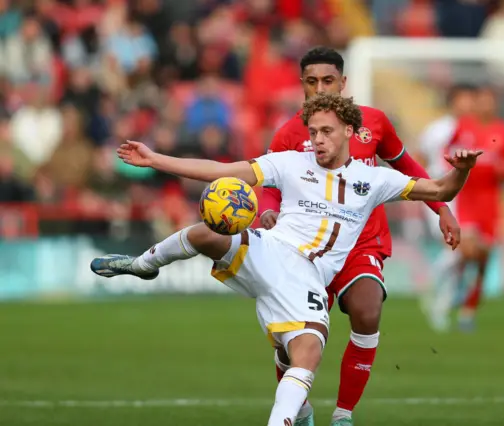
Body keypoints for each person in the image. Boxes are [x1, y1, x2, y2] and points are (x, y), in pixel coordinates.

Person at [90, 93, 481, 426]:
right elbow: (223, 171)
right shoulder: (291, 162)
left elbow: (441, 190)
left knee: (305, 353)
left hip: (307, 278)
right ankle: (144, 265)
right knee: (205, 232)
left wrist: (460, 170)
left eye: (326, 131)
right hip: (269, 251)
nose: (318, 140)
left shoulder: (374, 180)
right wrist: (156, 159)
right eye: (313, 132)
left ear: (349, 130)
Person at [260, 46, 461, 426]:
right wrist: (266, 211)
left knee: (368, 311)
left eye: (328, 80)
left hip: (360, 243)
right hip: (306, 250)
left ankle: (343, 415)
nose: (320, 87)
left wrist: (442, 208)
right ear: (302, 84)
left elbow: (407, 166)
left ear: (344, 82)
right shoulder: (289, 133)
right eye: (312, 81)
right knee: (289, 344)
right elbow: (267, 181)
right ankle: (299, 410)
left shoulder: (374, 123)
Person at [428, 85, 504, 332]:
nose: (486, 106)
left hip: (490, 204)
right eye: (482, 100)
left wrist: (496, 166)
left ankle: (468, 310)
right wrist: (457, 168)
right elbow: (446, 153)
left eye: (491, 101)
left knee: (483, 260)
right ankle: (452, 291)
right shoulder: (464, 126)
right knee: (467, 250)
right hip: (465, 199)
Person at [418, 83, 477, 332]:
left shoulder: (475, 130)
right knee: (456, 248)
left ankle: (439, 305)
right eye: (463, 99)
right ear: (453, 101)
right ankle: (431, 292)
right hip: (439, 194)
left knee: (462, 253)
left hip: (467, 197)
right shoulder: (438, 129)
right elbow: (418, 158)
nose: (467, 105)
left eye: (470, 100)